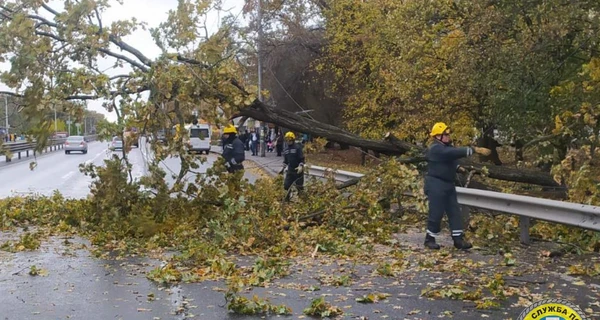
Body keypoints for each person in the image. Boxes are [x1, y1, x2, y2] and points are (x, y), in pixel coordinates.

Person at [424, 122, 491, 250]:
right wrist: (473, 150)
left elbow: (448, 159)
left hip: (448, 184)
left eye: (448, 134)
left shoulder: (445, 147)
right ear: (438, 136)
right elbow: (451, 153)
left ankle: (458, 240)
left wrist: (457, 167)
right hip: (436, 184)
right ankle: (429, 239)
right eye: (446, 134)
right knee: (436, 212)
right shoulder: (435, 148)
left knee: (454, 211)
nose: (448, 136)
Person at [282, 132, 305, 201]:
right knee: (286, 185)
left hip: (298, 170)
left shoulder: (297, 148)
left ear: (293, 140)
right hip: (290, 170)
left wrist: (301, 165)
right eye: (287, 140)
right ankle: (286, 200)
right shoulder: (286, 150)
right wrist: (283, 166)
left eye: (290, 140)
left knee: (299, 186)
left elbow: (302, 158)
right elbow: (286, 161)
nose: (288, 141)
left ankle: (302, 200)